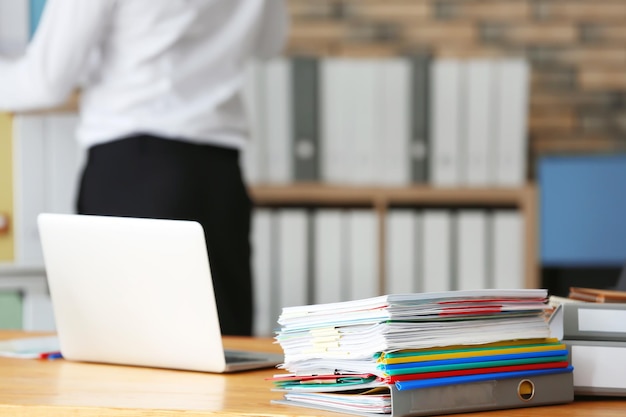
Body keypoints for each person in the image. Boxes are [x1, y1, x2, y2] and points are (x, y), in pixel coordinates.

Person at [0, 0, 289, 336]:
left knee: (122, 350)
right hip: (219, 175)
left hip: (133, 170)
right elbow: (271, 41)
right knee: (222, 349)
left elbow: (46, 81)